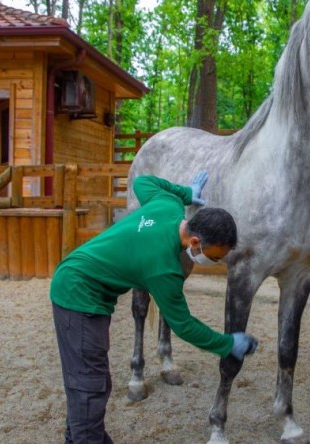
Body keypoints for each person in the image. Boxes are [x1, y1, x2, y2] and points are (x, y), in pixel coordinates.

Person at [50, 171, 259, 444]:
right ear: (195, 242)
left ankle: (76, 437)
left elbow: (142, 182)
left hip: (87, 289)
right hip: (78, 295)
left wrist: (186, 192)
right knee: (89, 386)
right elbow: (184, 325)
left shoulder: (168, 204)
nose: (214, 262)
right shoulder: (164, 270)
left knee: (90, 383)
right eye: (214, 257)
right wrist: (225, 343)